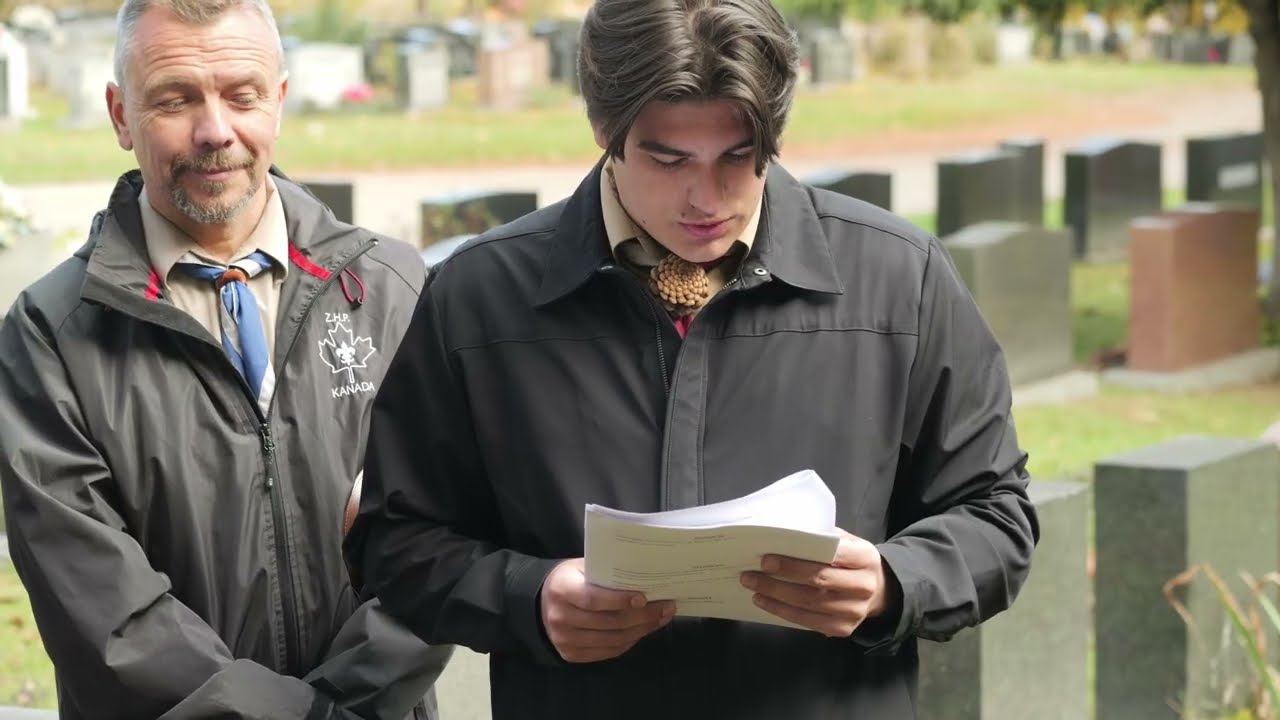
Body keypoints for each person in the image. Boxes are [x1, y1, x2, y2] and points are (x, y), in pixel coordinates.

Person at [345, 0, 1039, 717]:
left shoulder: (902, 278)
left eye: (738, 157)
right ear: (602, 130)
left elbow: (997, 514)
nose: (706, 198)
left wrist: (896, 581)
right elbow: (395, 543)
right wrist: (527, 598)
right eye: (667, 159)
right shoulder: (479, 296)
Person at [0, 1, 451, 717]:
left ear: (277, 99)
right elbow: (106, 614)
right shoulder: (51, 336)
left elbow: (443, 540)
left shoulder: (394, 290)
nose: (216, 132)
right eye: (175, 100)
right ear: (121, 115)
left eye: (241, 95)